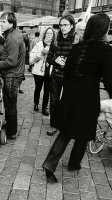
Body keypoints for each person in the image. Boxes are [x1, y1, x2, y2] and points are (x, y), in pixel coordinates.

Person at [42, 13, 112, 184]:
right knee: (84, 133)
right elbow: (110, 80)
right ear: (104, 29)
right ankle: (74, 164)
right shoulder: (106, 50)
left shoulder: (76, 47)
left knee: (66, 132)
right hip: (88, 98)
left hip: (70, 95)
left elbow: (66, 73)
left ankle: (50, 164)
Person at [0, 11, 26, 139]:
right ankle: (11, 126)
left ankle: (11, 131)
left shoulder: (12, 38)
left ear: (11, 23)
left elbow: (11, 61)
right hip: (13, 74)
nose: (1, 23)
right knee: (10, 104)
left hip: (12, 76)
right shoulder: (13, 35)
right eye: (1, 21)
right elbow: (9, 56)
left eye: (4, 21)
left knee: (10, 105)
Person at [46, 14, 75, 136]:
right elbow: (48, 57)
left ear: (71, 26)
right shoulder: (56, 40)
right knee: (54, 101)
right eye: (61, 25)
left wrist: (69, 62)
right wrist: (55, 60)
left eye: (65, 25)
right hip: (56, 76)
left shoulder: (76, 40)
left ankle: (66, 124)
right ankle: (54, 125)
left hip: (69, 77)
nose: (63, 27)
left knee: (68, 101)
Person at [30, 27, 55, 116]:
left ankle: (44, 108)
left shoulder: (54, 46)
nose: (49, 35)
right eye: (47, 33)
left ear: (53, 35)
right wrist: (41, 54)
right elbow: (31, 59)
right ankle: (36, 103)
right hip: (39, 71)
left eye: (51, 33)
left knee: (47, 90)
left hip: (49, 72)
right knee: (38, 88)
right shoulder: (39, 44)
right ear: (44, 34)